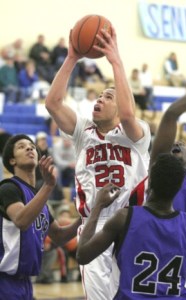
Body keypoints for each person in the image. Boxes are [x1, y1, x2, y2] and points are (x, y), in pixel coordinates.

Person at [45, 26, 151, 300]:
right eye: (99, 95)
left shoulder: (135, 133)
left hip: (132, 222)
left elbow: (128, 113)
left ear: (120, 105)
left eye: (108, 96)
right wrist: (71, 58)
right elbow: (53, 104)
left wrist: (115, 60)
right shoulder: (84, 133)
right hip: (94, 224)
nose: (100, 99)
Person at [76, 163, 186, 299]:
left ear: (149, 183)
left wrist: (98, 206)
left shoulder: (125, 218)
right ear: (179, 188)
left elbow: (82, 255)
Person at [0, 134, 81, 299]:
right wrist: (49, 185)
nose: (29, 147)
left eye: (31, 145)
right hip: (4, 281)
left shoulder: (39, 200)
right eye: (21, 147)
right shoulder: (8, 188)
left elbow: (59, 236)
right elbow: (22, 220)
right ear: (12, 161)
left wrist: (85, 215)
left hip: (25, 283)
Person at [148, 84, 186, 300]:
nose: (177, 143)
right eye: (172, 143)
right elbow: (171, 114)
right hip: (172, 262)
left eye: (182, 144)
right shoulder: (159, 173)